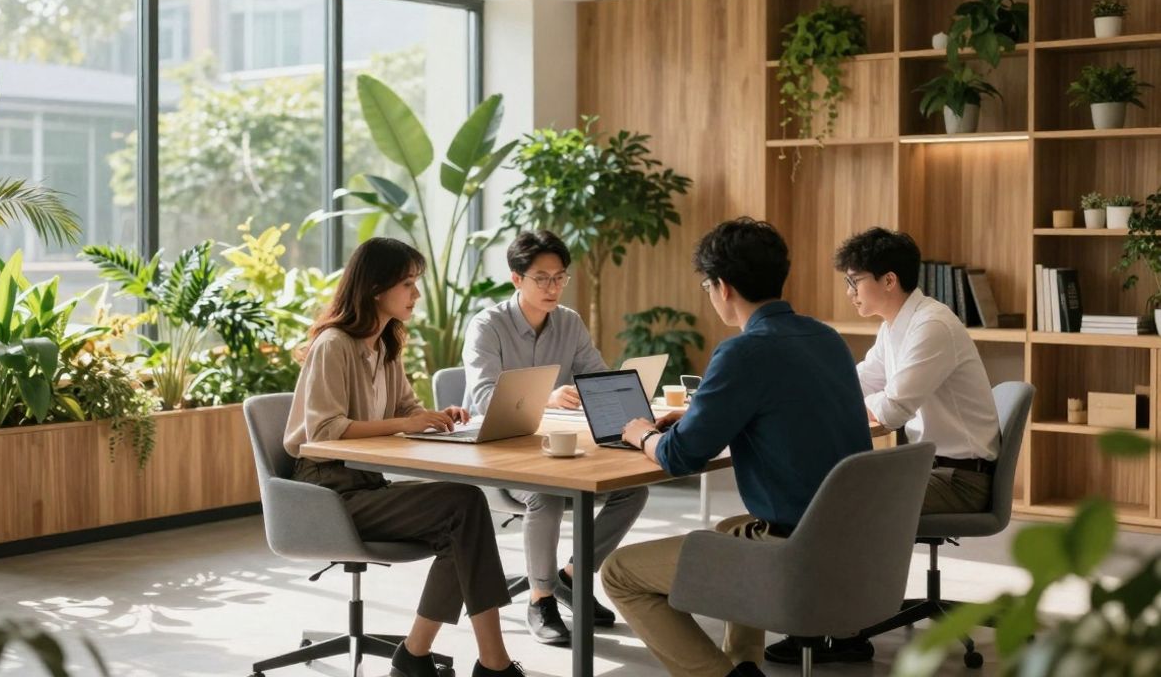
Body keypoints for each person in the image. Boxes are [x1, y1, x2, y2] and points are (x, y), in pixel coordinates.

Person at [600, 217, 872, 677]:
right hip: (852, 540)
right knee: (730, 525)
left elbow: (678, 457)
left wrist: (641, 434)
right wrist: (696, 415)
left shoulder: (743, 351)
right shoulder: (825, 337)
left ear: (722, 287)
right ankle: (743, 663)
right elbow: (782, 407)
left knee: (619, 573)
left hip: (794, 552)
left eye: (707, 284)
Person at [284, 237, 525, 677]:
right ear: (377, 288)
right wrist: (404, 425)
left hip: (366, 484)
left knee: (463, 519)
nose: (415, 295)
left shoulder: (387, 345)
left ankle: (420, 658)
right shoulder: (333, 345)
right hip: (327, 493)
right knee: (465, 505)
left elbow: (404, 409)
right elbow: (323, 431)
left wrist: (432, 417)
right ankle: (488, 664)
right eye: (408, 284)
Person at [766, 227, 1001, 667]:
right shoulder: (897, 325)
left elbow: (891, 410)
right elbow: (855, 384)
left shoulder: (931, 326)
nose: (850, 291)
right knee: (833, 496)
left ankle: (838, 630)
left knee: (839, 505)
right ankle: (839, 623)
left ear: (888, 280)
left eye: (855, 280)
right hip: (935, 468)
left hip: (962, 479)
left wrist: (859, 402)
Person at [463, 230, 649, 646]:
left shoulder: (570, 322)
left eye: (559, 277)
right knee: (543, 495)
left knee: (633, 491)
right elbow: (483, 399)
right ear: (517, 280)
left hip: (556, 448)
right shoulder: (487, 326)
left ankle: (571, 577)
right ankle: (540, 597)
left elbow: (596, 377)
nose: (552, 287)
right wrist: (547, 397)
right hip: (498, 451)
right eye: (541, 278)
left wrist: (621, 396)